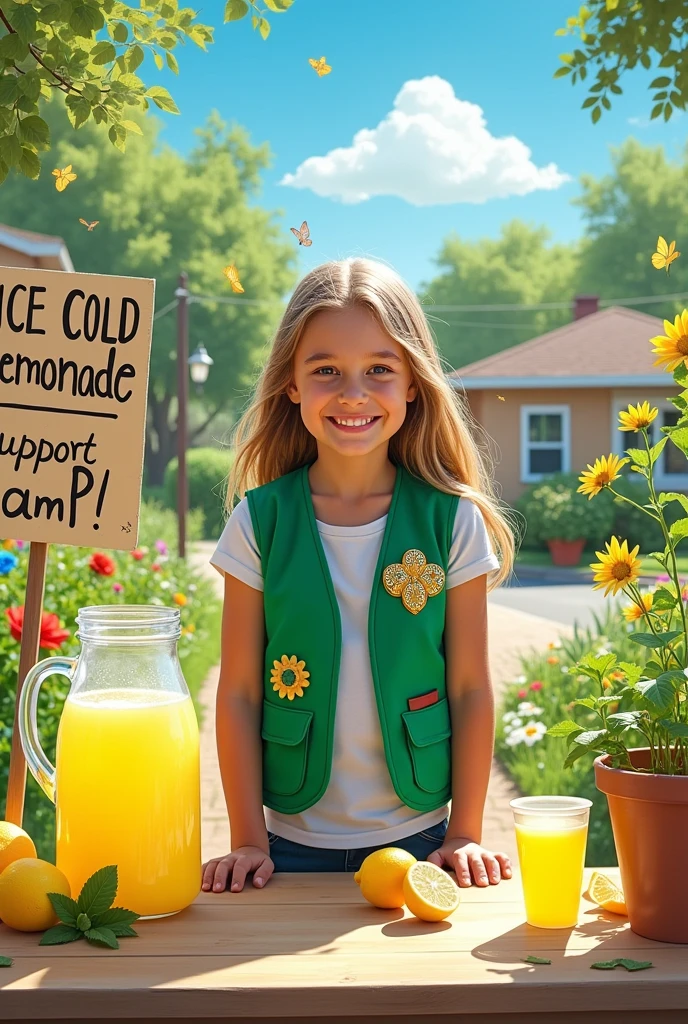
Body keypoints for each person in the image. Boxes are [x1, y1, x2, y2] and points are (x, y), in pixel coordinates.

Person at [202, 257, 518, 895]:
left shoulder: (450, 521)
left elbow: (470, 688)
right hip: (287, 847)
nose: (352, 393)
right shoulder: (259, 523)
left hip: (426, 841)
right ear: (290, 384)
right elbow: (237, 692)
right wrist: (245, 840)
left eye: (380, 369)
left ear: (412, 384)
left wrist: (466, 831)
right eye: (325, 371)